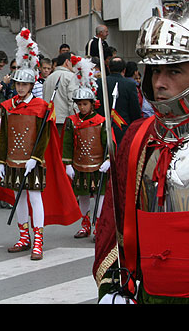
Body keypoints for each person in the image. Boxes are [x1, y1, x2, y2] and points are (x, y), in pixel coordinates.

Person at [93, 0, 189, 304]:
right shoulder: (138, 135)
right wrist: (114, 285)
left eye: (174, 71)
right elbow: (114, 222)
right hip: (149, 292)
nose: (160, 83)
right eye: (156, 72)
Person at [0, 29, 81, 261]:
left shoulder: (41, 107)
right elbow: (4, 135)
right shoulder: (7, 106)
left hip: (34, 162)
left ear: (31, 85)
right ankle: (23, 237)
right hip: (13, 160)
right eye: (18, 85)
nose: (21, 88)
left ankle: (38, 241)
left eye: (25, 85)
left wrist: (36, 158)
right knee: (19, 197)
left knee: (35, 197)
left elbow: (44, 136)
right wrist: (1, 160)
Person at [61, 57, 109, 240]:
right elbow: (67, 144)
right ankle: (85, 224)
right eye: (79, 104)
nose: (81, 107)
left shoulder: (101, 122)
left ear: (92, 103)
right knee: (82, 196)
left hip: (98, 165)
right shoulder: (71, 122)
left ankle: (98, 225)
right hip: (79, 164)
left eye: (85, 104)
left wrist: (108, 160)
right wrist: (68, 164)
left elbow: (108, 143)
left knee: (100, 197)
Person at [95, 57, 142, 147]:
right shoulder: (130, 85)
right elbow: (135, 110)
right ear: (124, 70)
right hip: (123, 129)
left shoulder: (98, 83)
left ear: (109, 68)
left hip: (102, 126)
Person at [42, 52, 77, 135]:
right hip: (65, 121)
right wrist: (76, 121)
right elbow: (73, 101)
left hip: (50, 120)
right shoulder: (71, 77)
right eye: (74, 62)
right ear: (67, 62)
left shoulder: (48, 78)